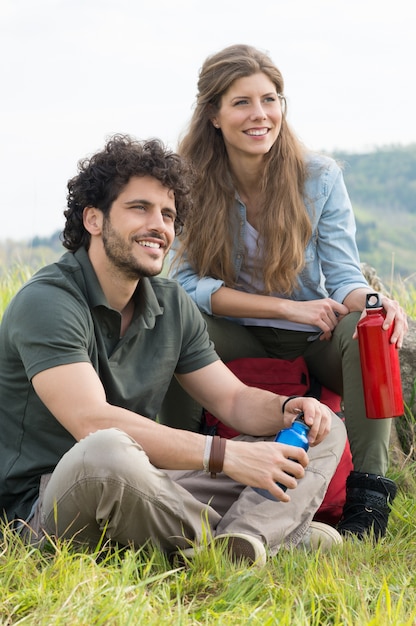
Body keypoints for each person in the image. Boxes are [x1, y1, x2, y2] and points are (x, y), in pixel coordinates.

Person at [0, 134, 347, 565]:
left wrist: (289, 407)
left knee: (322, 425)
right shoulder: (47, 301)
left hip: (148, 482)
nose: (159, 226)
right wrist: (227, 455)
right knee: (106, 450)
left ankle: (244, 541)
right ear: (93, 219)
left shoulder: (168, 302)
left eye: (168, 214)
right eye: (139, 208)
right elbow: (90, 421)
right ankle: (268, 535)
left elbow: (233, 399)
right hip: (47, 505)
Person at [161, 44, 408, 541]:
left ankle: (368, 500)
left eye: (270, 99)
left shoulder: (318, 178)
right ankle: (175, 474)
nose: (261, 115)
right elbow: (187, 286)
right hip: (235, 334)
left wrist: (377, 305)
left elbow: (343, 278)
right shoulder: (190, 180)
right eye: (242, 102)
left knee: (371, 330)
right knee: (170, 317)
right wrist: (284, 307)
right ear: (213, 114)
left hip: (312, 341)